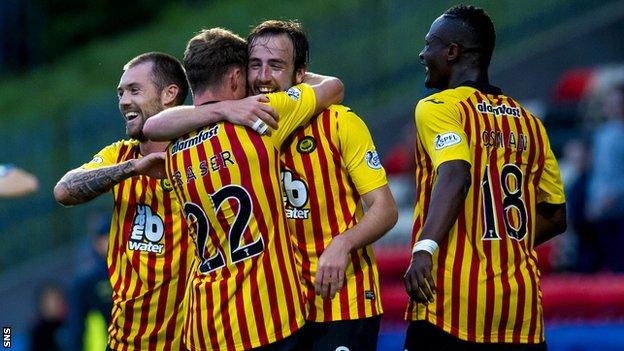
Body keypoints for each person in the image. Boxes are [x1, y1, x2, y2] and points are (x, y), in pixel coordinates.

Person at [142, 27, 343, 350]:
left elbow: (152, 125)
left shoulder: (174, 146)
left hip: (203, 327)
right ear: (236, 77)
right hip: (265, 321)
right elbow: (333, 87)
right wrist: (285, 71)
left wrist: (218, 108)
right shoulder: (261, 118)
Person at [403, 5, 566, 351]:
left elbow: (456, 172)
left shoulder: (439, 107)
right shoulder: (531, 123)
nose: (422, 53)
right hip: (519, 310)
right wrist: (500, 245)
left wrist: (425, 248)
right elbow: (555, 215)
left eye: (430, 44)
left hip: (449, 301)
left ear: (452, 52)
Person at [247, 20, 397, 351]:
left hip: (344, 299)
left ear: (300, 74)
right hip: (280, 312)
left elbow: (385, 208)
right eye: (254, 65)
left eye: (276, 66)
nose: (262, 77)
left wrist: (343, 244)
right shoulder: (243, 135)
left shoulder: (341, 123)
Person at [585, 84, 624, 272]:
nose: (611, 105)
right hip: (600, 209)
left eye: (616, 102)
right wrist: (593, 200)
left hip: (617, 209)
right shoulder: (602, 133)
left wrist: (610, 197)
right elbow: (599, 172)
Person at [65, 213, 113, 351]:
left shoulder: (137, 270)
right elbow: (76, 328)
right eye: (103, 238)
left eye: (111, 234)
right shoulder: (85, 283)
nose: (109, 241)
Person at [29, 283, 68, 351]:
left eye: (58, 299)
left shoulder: (73, 323)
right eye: (51, 301)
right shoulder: (38, 333)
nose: (57, 304)